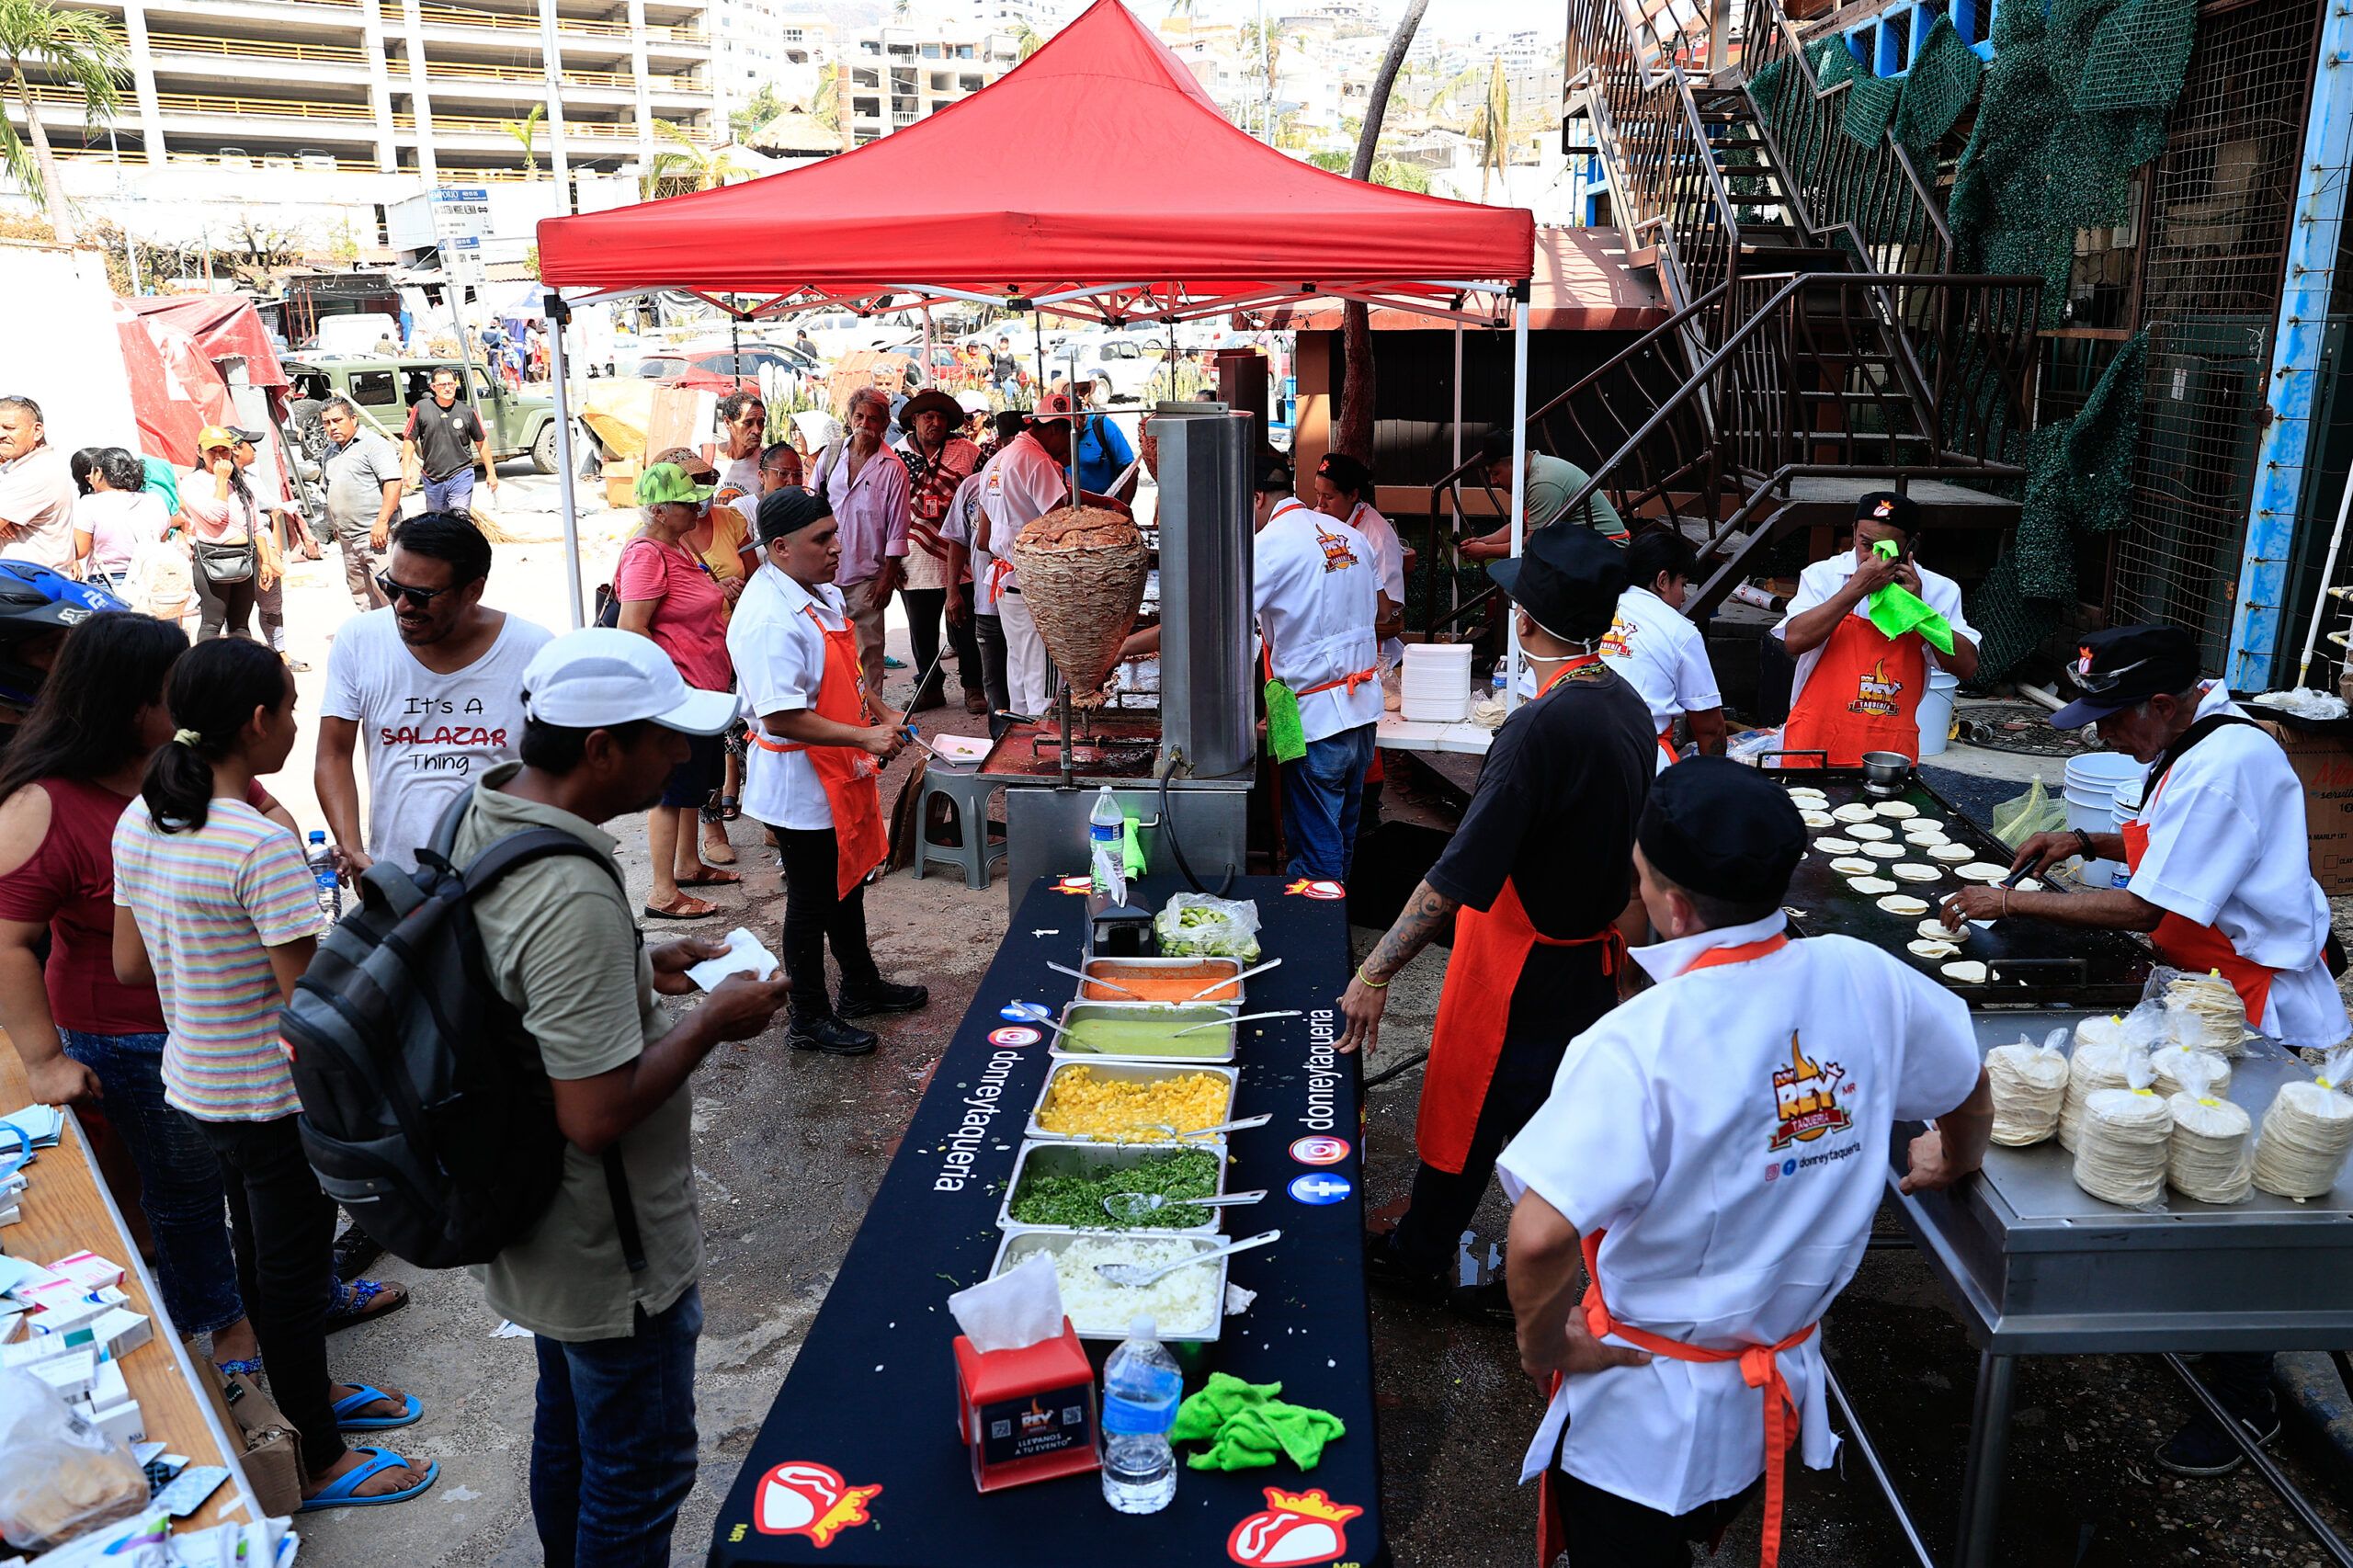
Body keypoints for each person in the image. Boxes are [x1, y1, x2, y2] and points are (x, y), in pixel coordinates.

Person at [1499, 757, 1991, 1567]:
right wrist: (1952, 1156)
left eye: (1641, 877)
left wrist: (1544, 1347)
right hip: (1776, 1388)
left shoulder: (1636, 1045)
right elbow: (1967, 1089)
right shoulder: (1865, 975)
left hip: (1640, 1418)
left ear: (1676, 906)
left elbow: (1538, 1237)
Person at [1941, 624, 2353, 1478]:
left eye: (2111, 719)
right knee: (2192, 1188)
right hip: (2201, 993)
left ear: (2163, 705)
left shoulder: (2226, 762)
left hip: (2255, 1006)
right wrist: (2082, 842)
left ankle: (2244, 1405)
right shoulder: (2196, 739)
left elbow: (2144, 911)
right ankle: (2199, 1343)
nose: (2098, 735)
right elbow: (2173, 849)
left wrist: (2007, 904)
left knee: (2228, 1207)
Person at [457, 628, 791, 1565]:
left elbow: (509, 976)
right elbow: (594, 1114)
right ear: (601, 749)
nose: (683, 755)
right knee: (638, 1473)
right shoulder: (570, 887)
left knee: (570, 1435)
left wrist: (638, 965)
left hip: (534, 1218)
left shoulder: (487, 812)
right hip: (607, 1246)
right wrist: (709, 1023)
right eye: (663, 738)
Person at [111, 637, 435, 1508]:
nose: (295, 726)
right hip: (274, 1096)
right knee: (288, 1279)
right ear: (258, 723)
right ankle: (320, 1459)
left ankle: (305, 1395)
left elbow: (131, 968)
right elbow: (310, 1007)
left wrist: (208, 962)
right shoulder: (257, 843)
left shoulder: (142, 819)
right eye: (289, 712)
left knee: (260, 1258)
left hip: (197, 1086)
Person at [1341, 526, 1655, 1323]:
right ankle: (1503, 1261)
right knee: (1548, 1124)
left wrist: (1374, 971)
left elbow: (1454, 880)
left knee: (1474, 1111)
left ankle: (1434, 1263)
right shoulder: (1627, 706)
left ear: (1524, 621)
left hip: (1522, 967)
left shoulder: (1539, 727)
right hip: (1585, 958)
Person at [0, 613, 260, 1373]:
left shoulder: (176, 761)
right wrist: (44, 1061)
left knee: (255, 1176)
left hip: (218, 1018)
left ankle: (288, 1296)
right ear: (128, 700)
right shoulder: (43, 802)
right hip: (127, 1034)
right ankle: (224, 1337)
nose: (185, 703)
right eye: (169, 690)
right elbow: (8, 940)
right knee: (182, 1194)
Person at [727, 488, 927, 1056]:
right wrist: (866, 736)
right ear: (782, 548)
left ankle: (859, 985)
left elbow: (845, 670)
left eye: (835, 532)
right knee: (812, 897)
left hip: (841, 764)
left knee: (850, 878)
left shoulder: (819, 592)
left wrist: (882, 712)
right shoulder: (768, 617)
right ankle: (808, 1015)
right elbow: (782, 714)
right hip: (799, 779)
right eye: (823, 539)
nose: (838, 547)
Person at [315, 512, 551, 877]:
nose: (402, 605)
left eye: (421, 595)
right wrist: (352, 847)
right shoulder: (360, 640)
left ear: (473, 590)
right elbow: (333, 754)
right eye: (392, 587)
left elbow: (560, 771)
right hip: (399, 879)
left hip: (507, 877)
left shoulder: (534, 651)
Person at [617, 462, 740, 920]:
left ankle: (688, 865)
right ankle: (663, 892)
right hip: (677, 695)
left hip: (699, 690)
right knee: (669, 792)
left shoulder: (679, 547)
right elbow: (633, 627)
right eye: (687, 503)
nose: (697, 507)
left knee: (690, 785)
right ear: (660, 510)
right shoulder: (648, 553)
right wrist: (673, 686)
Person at [1774, 492, 1979, 766]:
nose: (1873, 557)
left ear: (1910, 546)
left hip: (1889, 752)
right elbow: (1795, 641)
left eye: (1887, 548)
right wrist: (1857, 588)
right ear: (1854, 531)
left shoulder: (1938, 590)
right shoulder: (1823, 576)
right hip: (1814, 741)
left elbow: (1966, 666)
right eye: (1866, 544)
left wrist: (1917, 611)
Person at [1254, 454, 1381, 882]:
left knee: (1316, 849)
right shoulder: (1351, 537)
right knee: (1341, 835)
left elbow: (1219, 624)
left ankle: (1320, 939)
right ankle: (1335, 931)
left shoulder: (1267, 547)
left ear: (1255, 499)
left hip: (1316, 721)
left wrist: (1128, 646)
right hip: (1362, 712)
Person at [976, 393, 1130, 718]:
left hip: (1007, 584)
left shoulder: (1000, 459)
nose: (1069, 452)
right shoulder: (1037, 461)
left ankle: (1017, 738)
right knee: (1046, 681)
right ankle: (1046, 752)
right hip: (1037, 586)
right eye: (1069, 436)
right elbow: (1063, 527)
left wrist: (1103, 502)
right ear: (1056, 429)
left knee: (1019, 668)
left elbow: (984, 537)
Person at [811, 387, 909, 699]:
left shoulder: (893, 469)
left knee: (868, 654)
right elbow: (812, 506)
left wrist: (887, 580)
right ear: (849, 418)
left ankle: (871, 721)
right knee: (826, 653)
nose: (865, 423)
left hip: (867, 579)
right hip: (824, 576)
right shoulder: (831, 455)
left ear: (884, 423)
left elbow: (897, 531)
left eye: (873, 418)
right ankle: (838, 718)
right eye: (859, 416)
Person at [1599, 529, 1726, 767]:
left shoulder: (1592, 608)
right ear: (1662, 580)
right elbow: (1710, 728)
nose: (1683, 597)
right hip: (1643, 760)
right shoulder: (1679, 629)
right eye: (1683, 584)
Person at [892, 389, 984, 712]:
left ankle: (974, 687)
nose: (935, 423)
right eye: (928, 417)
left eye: (941, 417)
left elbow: (983, 499)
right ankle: (930, 688)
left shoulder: (968, 452)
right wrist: (890, 559)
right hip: (912, 557)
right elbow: (887, 508)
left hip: (960, 555)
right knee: (922, 630)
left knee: (967, 626)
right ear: (914, 420)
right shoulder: (896, 455)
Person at [949, 412, 1025, 734]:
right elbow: (962, 541)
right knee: (994, 678)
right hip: (988, 601)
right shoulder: (973, 486)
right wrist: (952, 591)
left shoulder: (1035, 478)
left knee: (1024, 673)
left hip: (1026, 601)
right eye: (1005, 444)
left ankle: (1023, 739)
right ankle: (999, 740)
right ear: (997, 445)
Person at [1458, 431, 1629, 561]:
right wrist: (1485, 541)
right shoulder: (1535, 471)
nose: (1493, 481)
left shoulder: (1543, 483)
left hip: (1607, 551)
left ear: (1515, 463)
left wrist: (1486, 552)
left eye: (1495, 473)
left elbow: (1533, 545)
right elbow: (1524, 525)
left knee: (1533, 570)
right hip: (1586, 547)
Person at [178, 426, 270, 642]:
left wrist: (265, 560)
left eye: (225, 451)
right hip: (214, 558)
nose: (220, 456)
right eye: (213, 451)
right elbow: (215, 516)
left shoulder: (239, 482)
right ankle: (207, 672)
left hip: (246, 557)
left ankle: (241, 671)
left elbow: (256, 523)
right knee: (212, 623)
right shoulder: (193, 483)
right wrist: (220, 480)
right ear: (200, 452)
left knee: (241, 624)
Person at [1311, 452, 1404, 665]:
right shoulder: (1317, 519)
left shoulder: (1377, 535)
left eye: (1329, 497)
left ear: (1353, 495)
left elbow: (1392, 603)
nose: (1320, 504)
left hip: (1371, 651)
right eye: (1318, 494)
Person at [233, 427, 308, 673]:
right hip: (235, 551)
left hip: (264, 547)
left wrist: (274, 551)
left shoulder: (252, 478)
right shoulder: (217, 481)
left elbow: (271, 512)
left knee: (272, 603)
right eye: (249, 445)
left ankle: (280, 651)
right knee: (236, 609)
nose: (254, 450)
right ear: (235, 449)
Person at [318, 398, 403, 612]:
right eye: (327, 423)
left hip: (377, 535)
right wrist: (336, 526)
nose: (332, 427)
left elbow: (393, 483)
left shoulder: (374, 445)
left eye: (337, 420)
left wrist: (382, 522)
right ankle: (375, 641)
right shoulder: (330, 452)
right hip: (348, 539)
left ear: (353, 419)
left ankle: (404, 640)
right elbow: (328, 490)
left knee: (390, 593)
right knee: (362, 596)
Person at [402, 369, 499, 514]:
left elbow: (482, 442)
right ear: (433, 387)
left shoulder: (467, 412)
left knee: (459, 516)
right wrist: (406, 469)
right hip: (432, 477)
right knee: (437, 521)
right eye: (442, 385)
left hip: (461, 473)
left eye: (451, 384)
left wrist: (491, 473)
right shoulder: (421, 408)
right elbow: (409, 438)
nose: (447, 388)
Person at [0, 396, 80, 570]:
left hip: (29, 586)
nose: (1, 435)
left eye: (9, 428)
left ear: (37, 431)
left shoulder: (35, 472)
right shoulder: (16, 468)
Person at [73, 449, 169, 589]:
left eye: (92, 472)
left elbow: (80, 550)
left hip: (110, 584)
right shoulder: (154, 500)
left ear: (99, 472)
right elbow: (162, 537)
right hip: (150, 581)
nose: (89, 478)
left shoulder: (90, 503)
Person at [712, 392, 767, 511]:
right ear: (728, 423)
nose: (757, 430)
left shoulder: (768, 460)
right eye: (748, 422)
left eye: (761, 422)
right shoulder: (708, 458)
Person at [1074, 411, 1137, 506]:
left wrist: (1122, 509)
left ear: (1082, 417)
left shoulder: (1102, 426)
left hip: (1103, 511)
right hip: (1064, 512)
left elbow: (1131, 471)